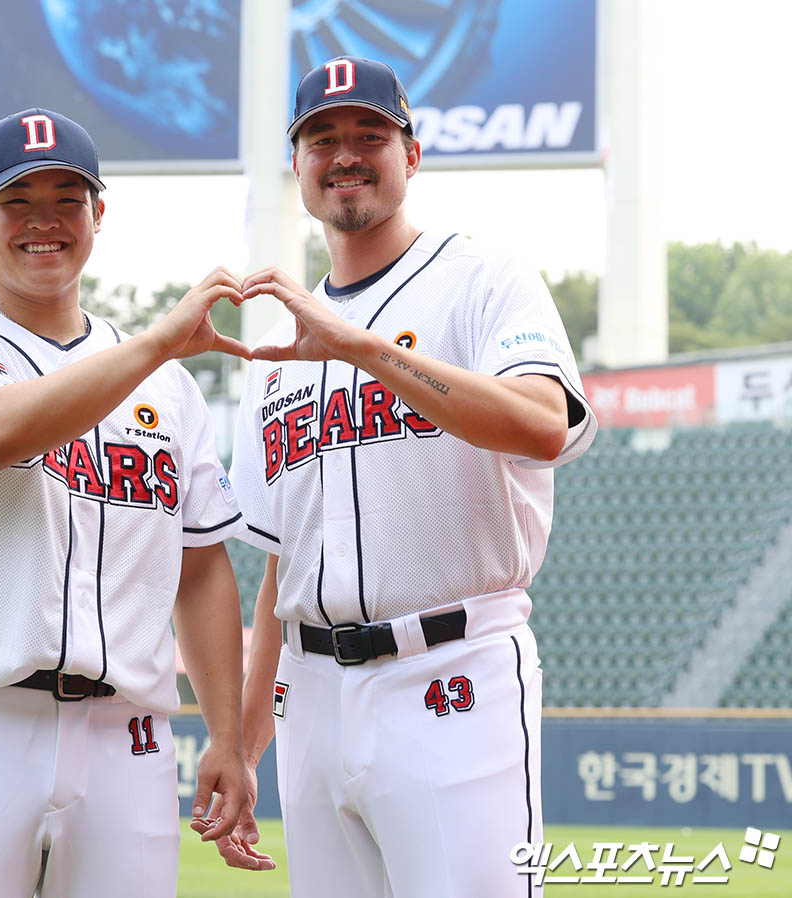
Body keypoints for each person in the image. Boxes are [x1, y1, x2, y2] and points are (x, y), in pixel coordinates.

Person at [205, 57, 599, 896]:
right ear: (302, 169)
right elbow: (284, 562)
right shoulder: (275, 353)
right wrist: (240, 741)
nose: (345, 154)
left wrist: (361, 348)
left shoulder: (482, 278)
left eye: (369, 135)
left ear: (411, 156)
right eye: (322, 139)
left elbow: (544, 422)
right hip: (310, 693)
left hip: (451, 675)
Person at [0, 107, 254, 898]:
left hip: (130, 741)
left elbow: (202, 570)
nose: (43, 222)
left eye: (66, 199)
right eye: (18, 200)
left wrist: (229, 735)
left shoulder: (172, 390)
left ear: (98, 215)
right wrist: (150, 345)